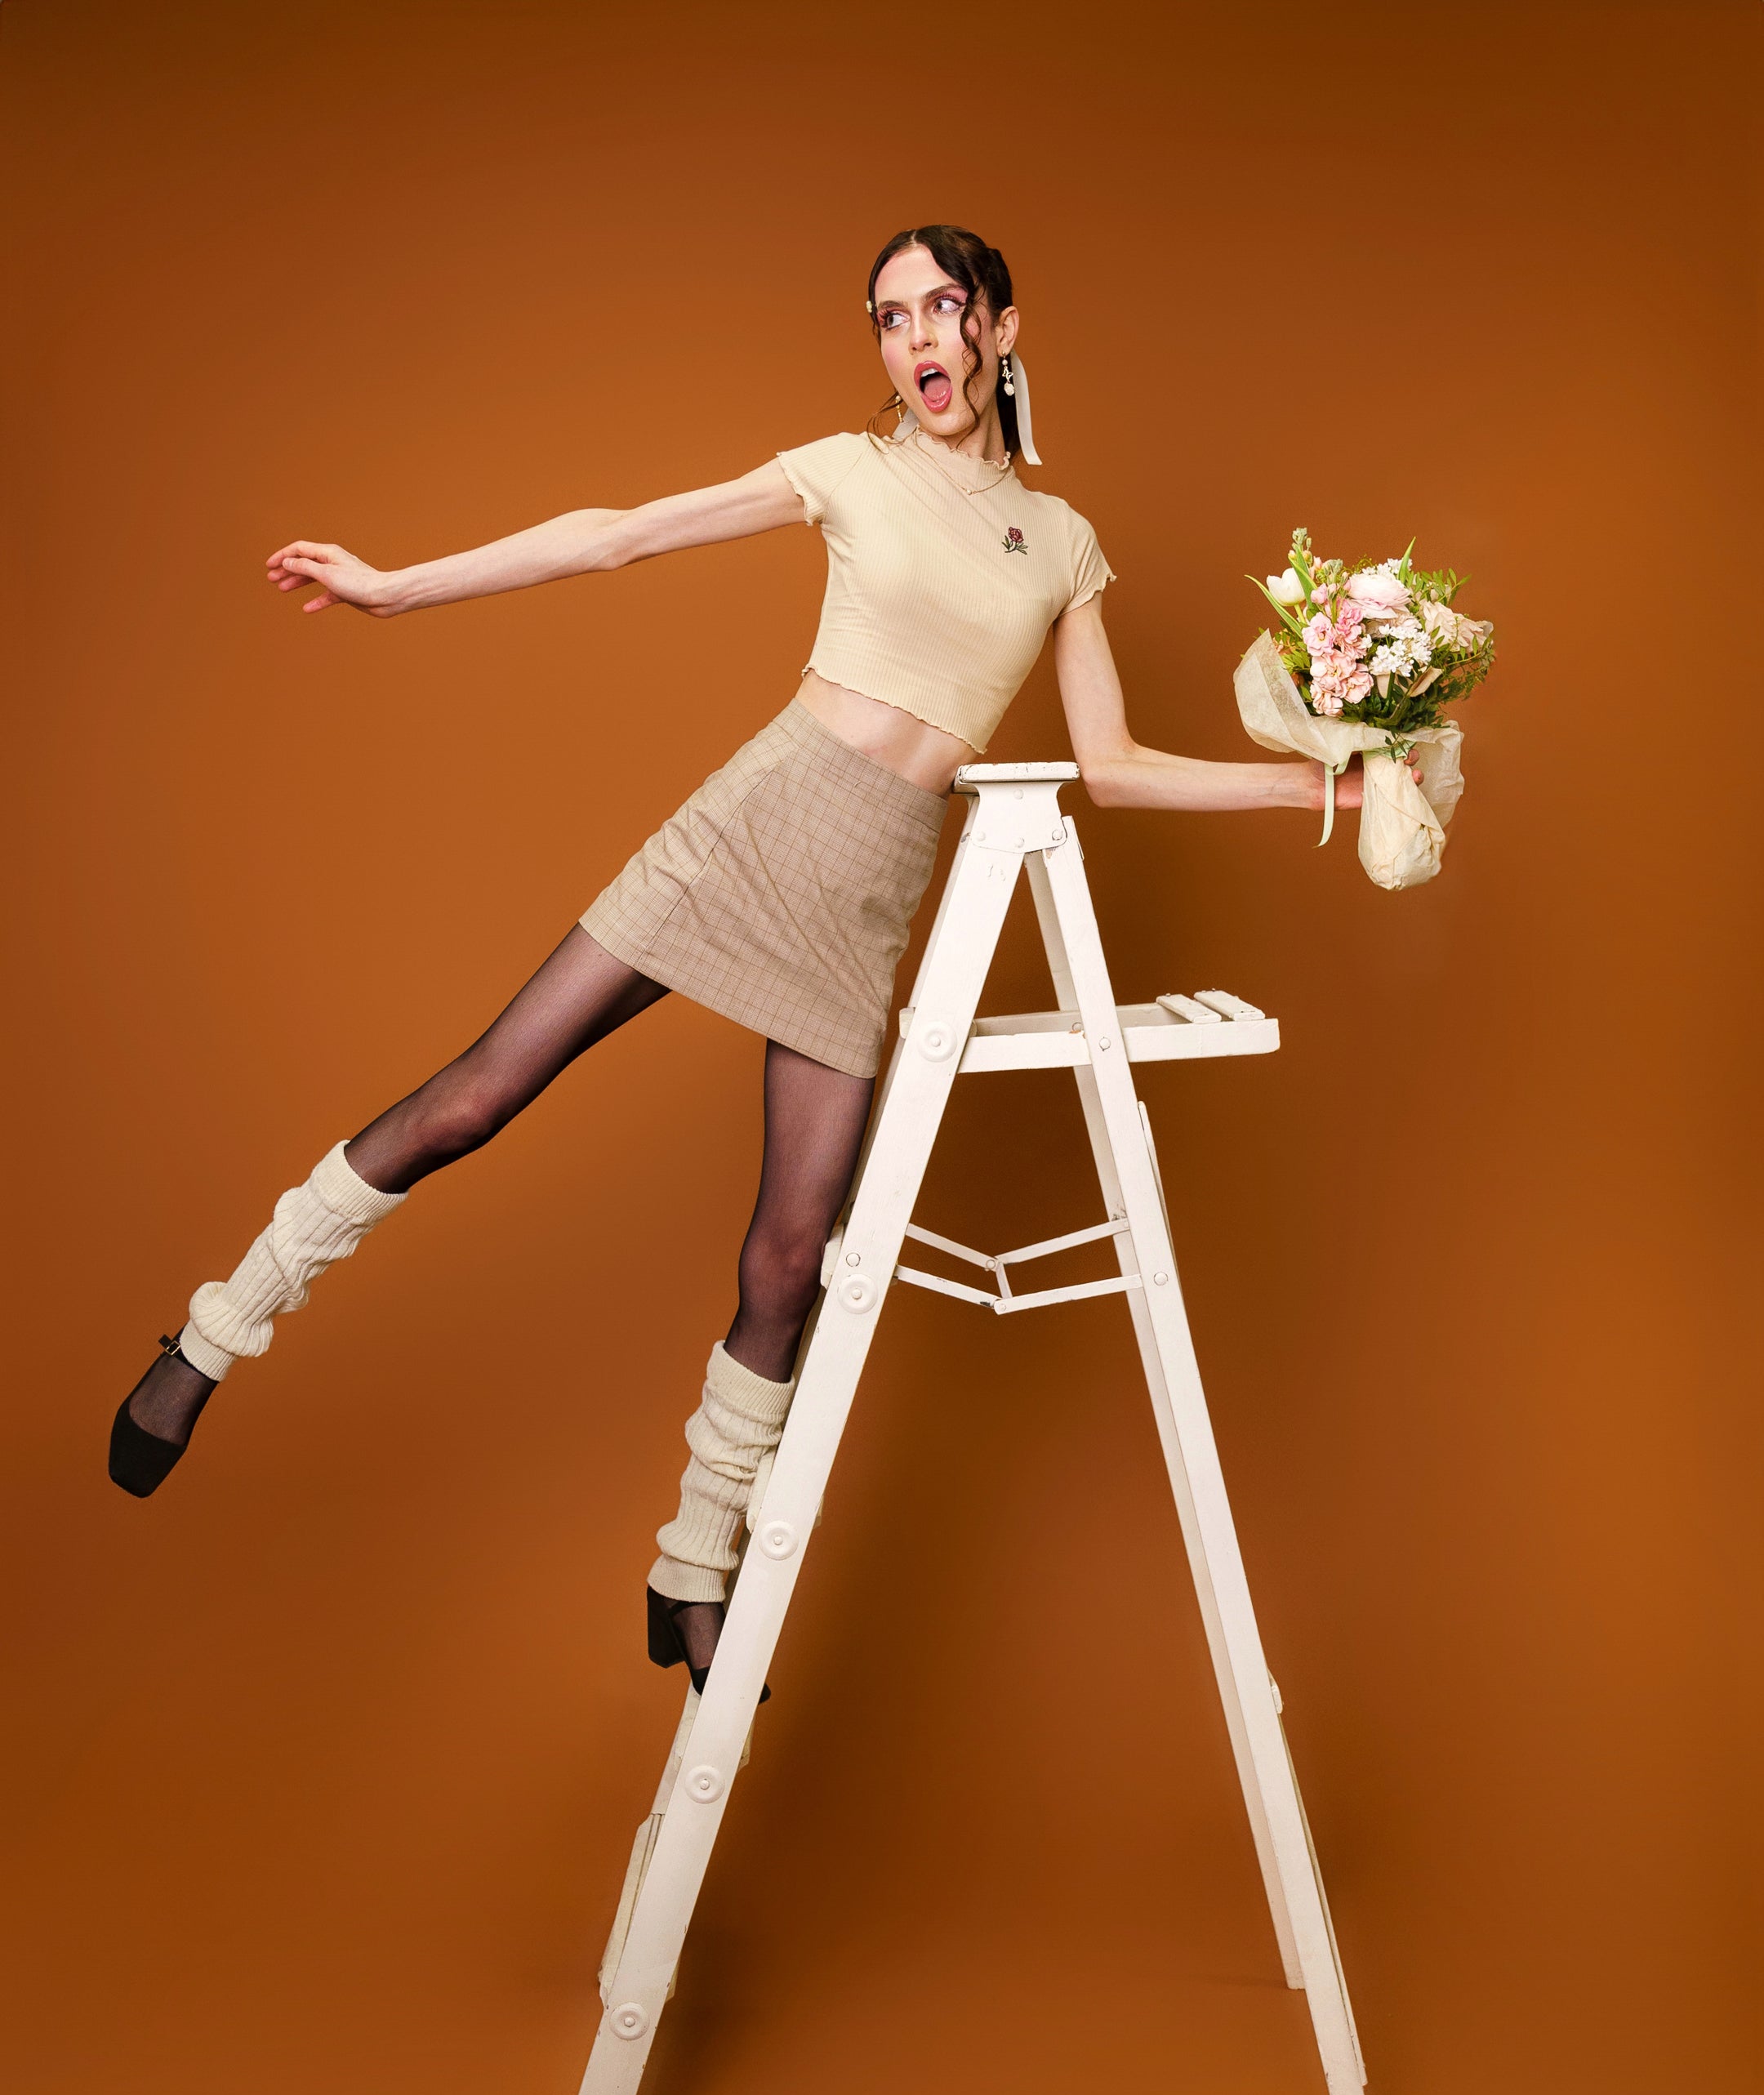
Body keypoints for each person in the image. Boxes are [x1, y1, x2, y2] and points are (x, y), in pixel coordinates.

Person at [107, 225, 1370, 1692]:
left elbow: (1120, 765)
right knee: (478, 1094)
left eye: (944, 312)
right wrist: (398, 587)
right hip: (755, 824)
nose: (918, 345)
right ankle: (212, 1335)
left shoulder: (1066, 542)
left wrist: (1319, 787)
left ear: (1003, 331)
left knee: (791, 1260)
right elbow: (621, 528)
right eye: (891, 319)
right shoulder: (847, 468)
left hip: (872, 891)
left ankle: (691, 1574)